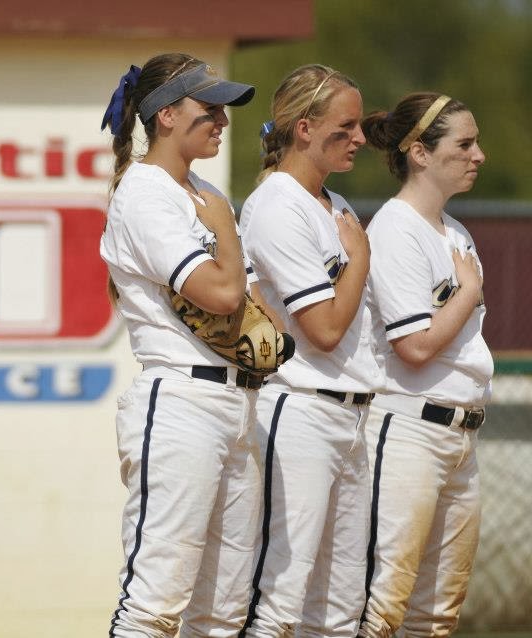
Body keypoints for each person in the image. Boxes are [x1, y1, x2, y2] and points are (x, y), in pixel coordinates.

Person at [99, 53, 263, 637]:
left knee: (221, 613)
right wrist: (223, 221)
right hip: (181, 405)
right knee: (154, 606)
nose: (221, 120)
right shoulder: (147, 192)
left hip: (236, 406)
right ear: (166, 115)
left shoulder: (194, 188)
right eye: (208, 107)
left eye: (224, 110)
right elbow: (221, 294)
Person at [237, 64, 380, 637]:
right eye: (346, 127)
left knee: (342, 606)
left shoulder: (334, 203)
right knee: (280, 600)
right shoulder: (278, 204)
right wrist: (361, 257)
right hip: (298, 410)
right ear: (303, 128)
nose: (361, 138)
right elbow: (321, 329)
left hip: (351, 410)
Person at [356, 93, 490, 638]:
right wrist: (470, 291)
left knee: (437, 614)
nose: (478, 155)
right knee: (384, 604)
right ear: (420, 153)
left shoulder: (456, 232)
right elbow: (413, 346)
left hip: (462, 434)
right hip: (408, 428)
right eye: (464, 143)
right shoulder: (395, 228)